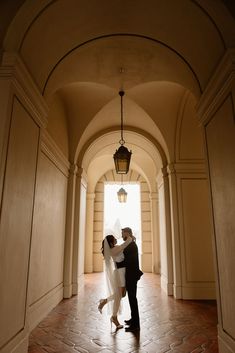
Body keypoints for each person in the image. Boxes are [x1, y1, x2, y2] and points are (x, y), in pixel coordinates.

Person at [98, 233, 132, 329]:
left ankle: (105, 302)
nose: (116, 239)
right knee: (119, 295)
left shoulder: (115, 248)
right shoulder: (114, 250)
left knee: (121, 295)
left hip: (121, 272)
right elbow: (125, 244)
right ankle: (113, 317)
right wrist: (129, 236)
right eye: (114, 238)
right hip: (120, 274)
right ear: (111, 242)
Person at [122, 227, 143, 332]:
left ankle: (135, 325)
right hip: (130, 275)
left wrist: (118, 263)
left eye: (123, 233)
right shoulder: (130, 244)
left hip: (131, 276)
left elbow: (127, 261)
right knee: (131, 298)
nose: (121, 235)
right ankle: (133, 319)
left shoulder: (131, 245)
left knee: (132, 299)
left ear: (127, 233)